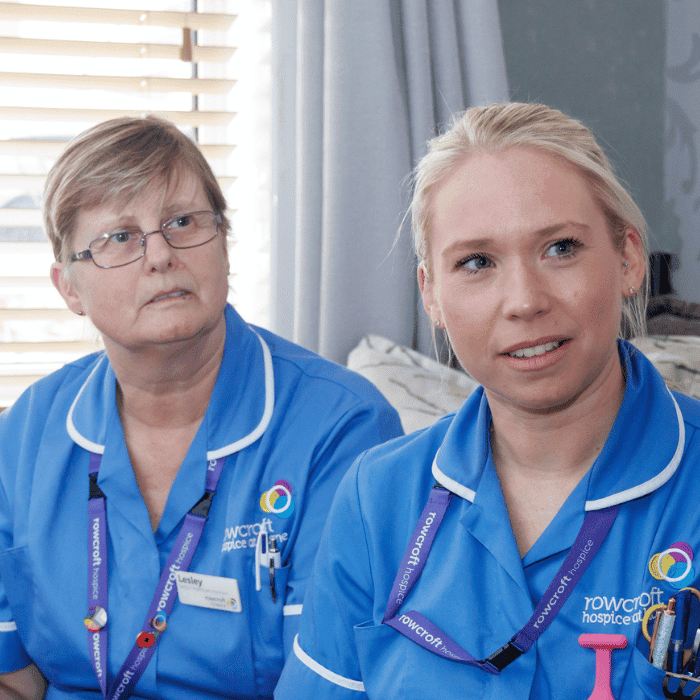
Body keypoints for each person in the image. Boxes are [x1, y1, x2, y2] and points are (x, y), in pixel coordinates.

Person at [274, 102, 700, 699]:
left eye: (560, 248)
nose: (524, 300)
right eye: (477, 262)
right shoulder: (378, 496)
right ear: (433, 296)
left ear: (627, 259)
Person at [0, 116, 403, 700]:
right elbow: (12, 678)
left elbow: (332, 683)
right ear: (69, 289)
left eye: (182, 222)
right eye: (120, 237)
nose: (160, 255)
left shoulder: (343, 428)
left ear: (224, 244)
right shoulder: (28, 431)